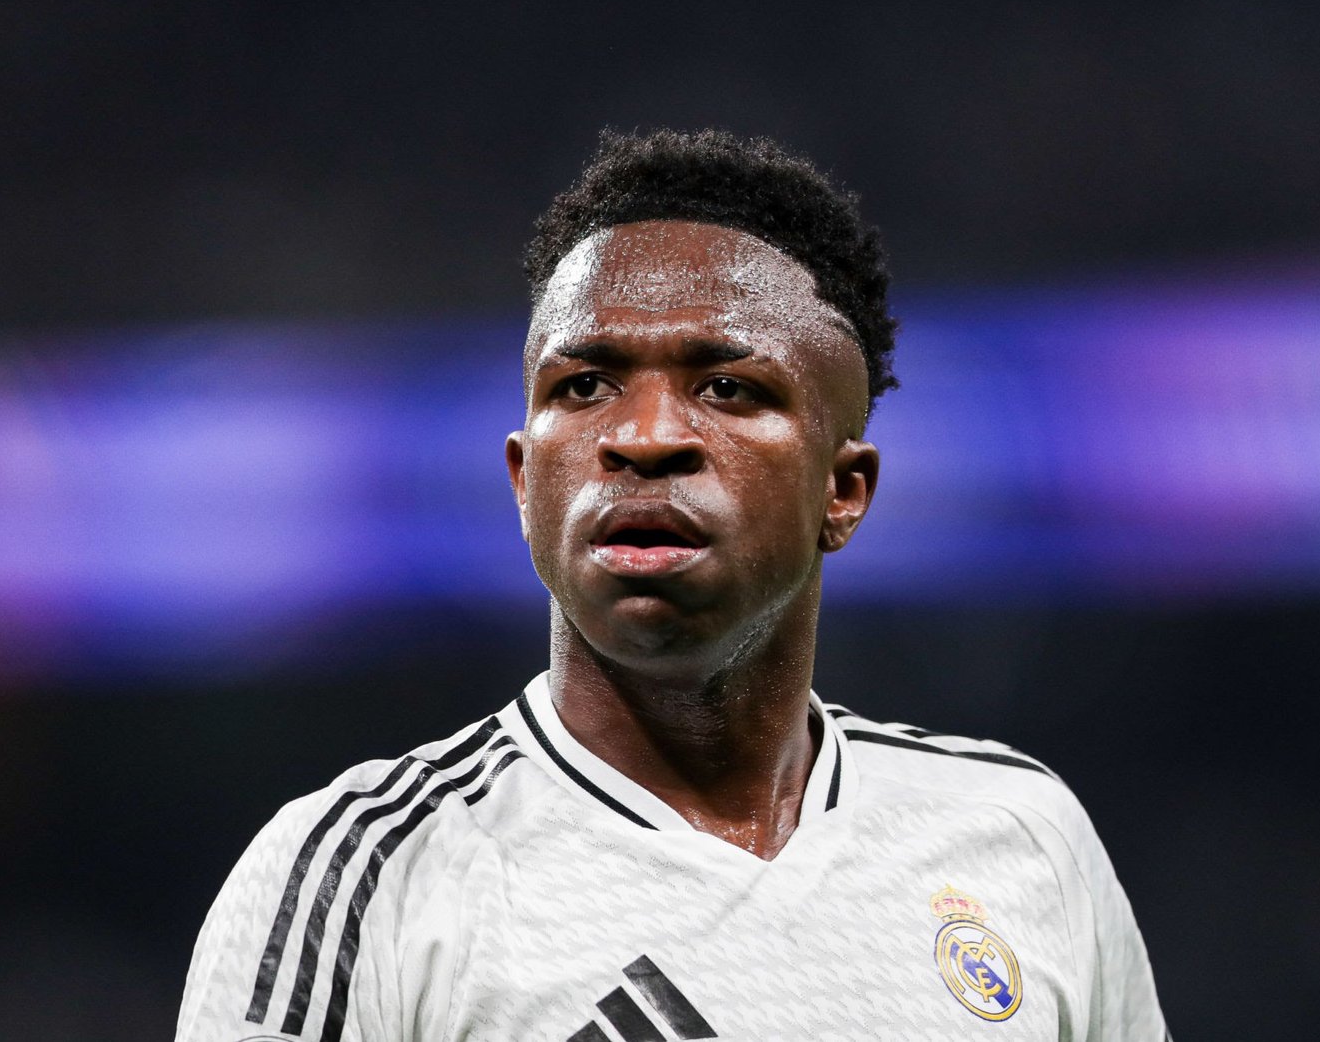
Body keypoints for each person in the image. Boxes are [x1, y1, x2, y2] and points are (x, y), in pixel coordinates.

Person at [176, 129, 1168, 1041]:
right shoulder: (366, 879)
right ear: (524, 482)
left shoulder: (1017, 835)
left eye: (727, 386)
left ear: (844, 489)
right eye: (584, 385)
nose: (643, 438)